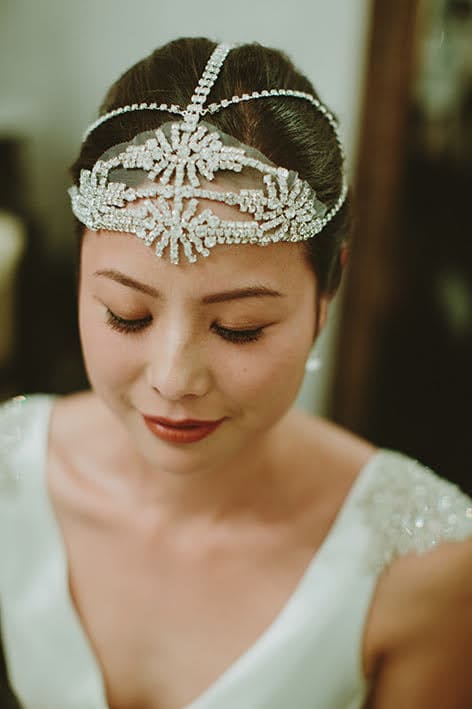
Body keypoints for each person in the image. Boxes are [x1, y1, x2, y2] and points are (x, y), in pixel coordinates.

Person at [1, 37, 471, 709]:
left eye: (238, 328)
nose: (174, 378)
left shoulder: (429, 565)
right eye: (127, 314)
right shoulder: (10, 476)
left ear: (325, 298)